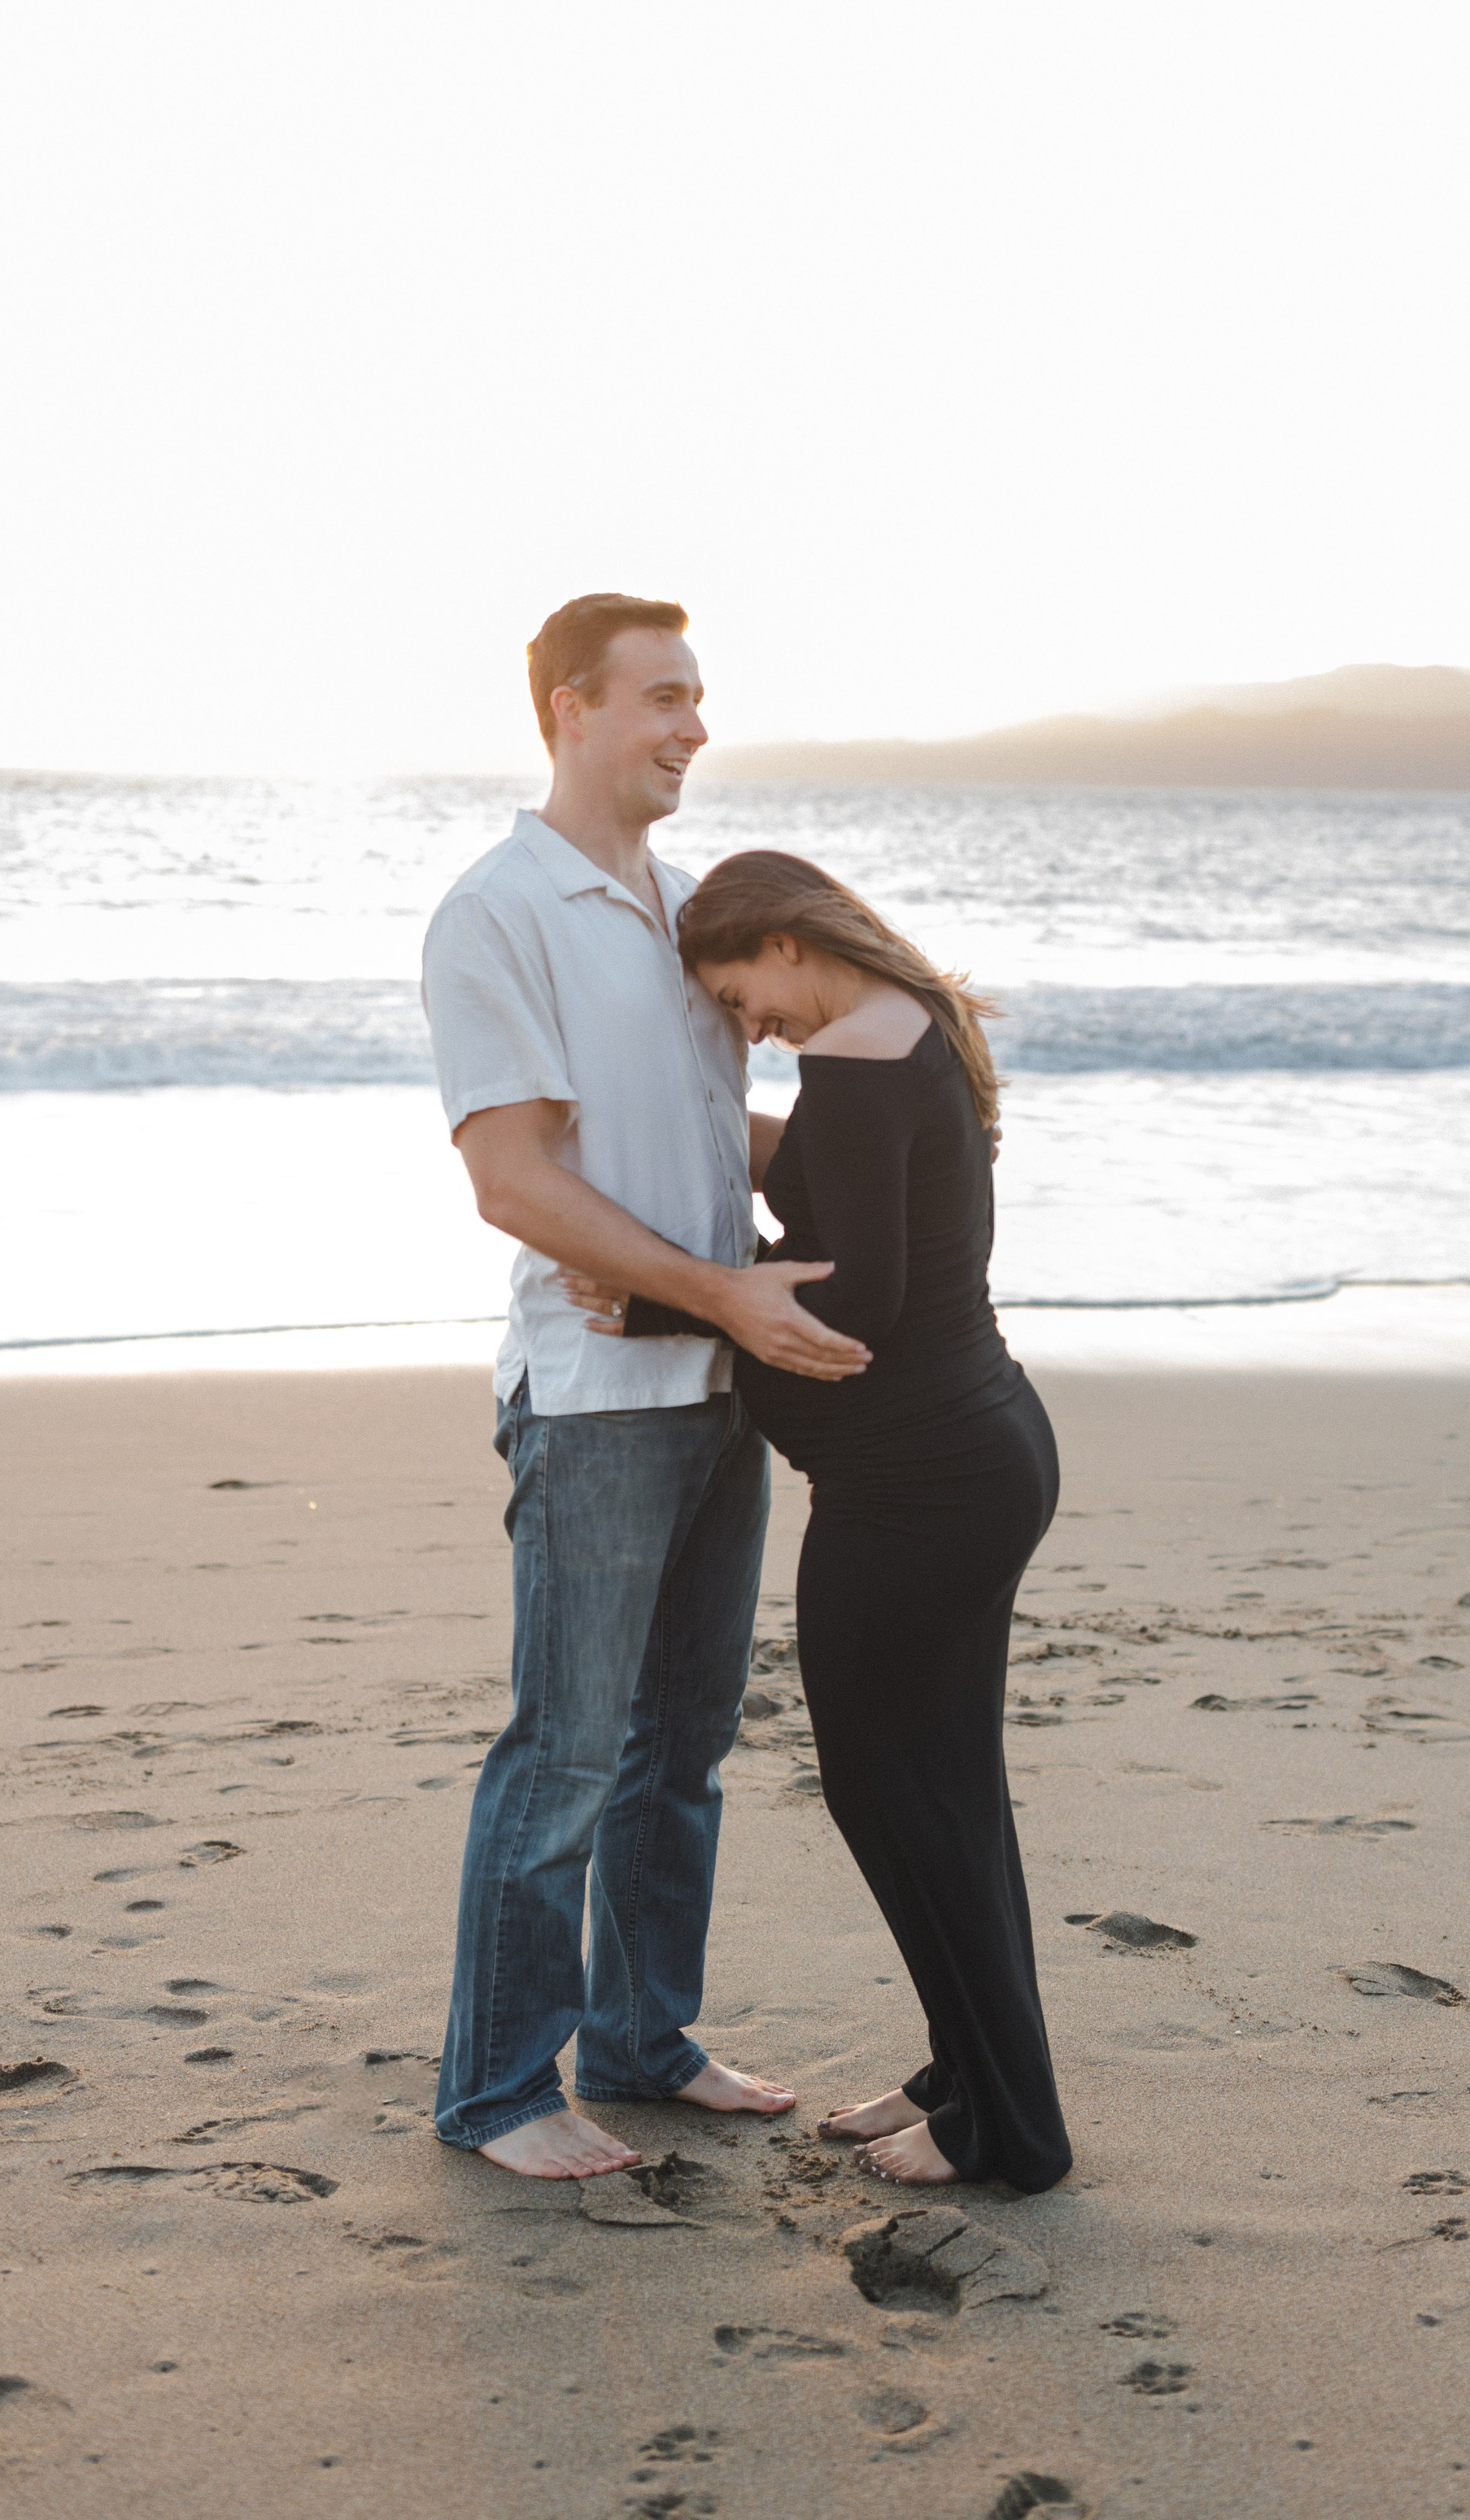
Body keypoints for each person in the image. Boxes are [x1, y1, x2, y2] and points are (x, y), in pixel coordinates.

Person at [421, 597, 874, 2180]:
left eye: (699, 699)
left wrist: (904, 1143)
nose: (691, 728)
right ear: (566, 709)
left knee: (679, 1751)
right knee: (563, 1752)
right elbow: (512, 1179)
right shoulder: (499, 914)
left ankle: (636, 2040)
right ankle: (494, 2093)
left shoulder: (687, 915)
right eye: (663, 699)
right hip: (596, 1405)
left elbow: (703, 1146)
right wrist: (712, 1289)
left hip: (716, 1396)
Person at [574, 849, 1072, 2194]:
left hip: (920, 1496)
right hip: (976, 1461)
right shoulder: (909, 1033)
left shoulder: (853, 1055)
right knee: (947, 1796)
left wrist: (658, 1302)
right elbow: (846, 1195)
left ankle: (1009, 2133)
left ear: (790, 944)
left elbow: (852, 1317)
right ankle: (971, 2077)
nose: (752, 1028)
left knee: (895, 1795)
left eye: (744, 999)